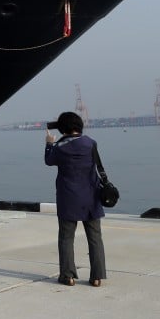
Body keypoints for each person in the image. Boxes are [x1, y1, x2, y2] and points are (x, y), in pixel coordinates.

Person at [44, 111, 107, 287]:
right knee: (95, 237)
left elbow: (48, 161)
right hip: (91, 197)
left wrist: (49, 144)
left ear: (63, 128)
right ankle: (97, 277)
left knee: (66, 237)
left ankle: (68, 276)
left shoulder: (59, 147)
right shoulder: (91, 143)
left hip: (68, 197)